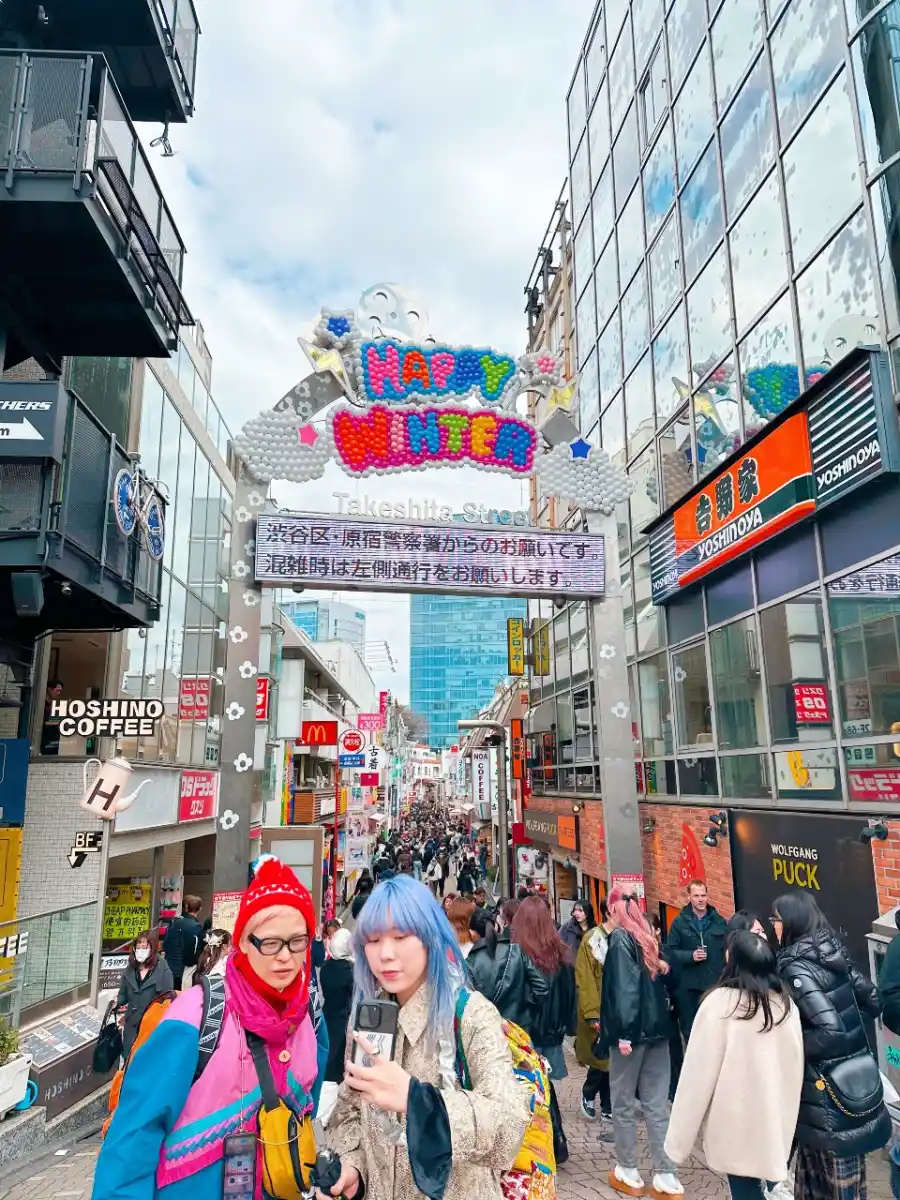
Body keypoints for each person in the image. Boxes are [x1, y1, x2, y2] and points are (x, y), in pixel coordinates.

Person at [93, 857, 328, 1200]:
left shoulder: (306, 1019)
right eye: (271, 942)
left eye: (297, 941)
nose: (285, 957)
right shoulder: (197, 1015)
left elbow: (306, 1111)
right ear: (244, 943)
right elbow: (133, 1138)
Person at [323, 875, 531, 1200]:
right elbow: (349, 1111)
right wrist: (353, 1169)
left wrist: (417, 1100)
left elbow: (508, 1126)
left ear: (430, 938)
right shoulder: (367, 1019)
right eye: (374, 940)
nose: (386, 954)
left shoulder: (471, 1015)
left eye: (401, 936)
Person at [665, 930, 803, 1200]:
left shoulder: (719, 1005)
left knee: (744, 1190)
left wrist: (678, 1141)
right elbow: (794, 1067)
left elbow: (697, 1076)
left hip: (733, 1121)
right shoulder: (785, 1006)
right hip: (773, 1119)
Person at [773, 892, 891, 1200]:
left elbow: (830, 1030)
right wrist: (852, 1036)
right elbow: (874, 1000)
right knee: (845, 1186)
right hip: (855, 1084)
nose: (772, 925)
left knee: (824, 1187)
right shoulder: (831, 951)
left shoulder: (794, 966)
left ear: (790, 921)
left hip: (825, 1096)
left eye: (775, 919)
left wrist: (793, 1048)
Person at [599, 890, 683, 1198]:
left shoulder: (621, 939)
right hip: (659, 1032)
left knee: (622, 1102)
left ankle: (628, 1168)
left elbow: (624, 990)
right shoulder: (649, 938)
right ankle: (666, 1174)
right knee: (657, 1105)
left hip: (632, 1036)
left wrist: (623, 1032)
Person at [511, 895, 576, 1165]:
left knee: (529, 1089)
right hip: (552, 1033)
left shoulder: (519, 955)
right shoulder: (561, 953)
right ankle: (556, 1140)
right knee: (544, 1087)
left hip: (527, 1031)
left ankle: (544, 1143)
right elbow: (570, 995)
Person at [665, 879, 727, 1042]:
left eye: (703, 895)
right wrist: (690, 956)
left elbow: (727, 950)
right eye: (696, 895)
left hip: (713, 984)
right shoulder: (679, 923)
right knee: (691, 1031)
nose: (700, 899)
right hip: (688, 987)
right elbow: (670, 953)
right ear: (690, 898)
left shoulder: (719, 921)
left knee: (715, 1029)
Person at [575, 898, 613, 1126]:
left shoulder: (623, 937)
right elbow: (585, 979)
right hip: (600, 1008)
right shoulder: (593, 940)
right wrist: (592, 1013)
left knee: (611, 1060)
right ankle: (590, 1094)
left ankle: (608, 1104)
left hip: (616, 1008)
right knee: (602, 1059)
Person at [115, 931, 174, 1062]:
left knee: (147, 1062)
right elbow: (123, 994)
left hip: (152, 1026)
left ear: (152, 948)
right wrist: (117, 1002)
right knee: (129, 1060)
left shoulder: (163, 968)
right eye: (138, 947)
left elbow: (168, 999)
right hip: (132, 1024)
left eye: (145, 947)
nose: (141, 950)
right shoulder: (130, 968)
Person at [321, 928, 355, 1084]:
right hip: (343, 1014)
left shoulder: (325, 966)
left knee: (327, 1043)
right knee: (339, 1046)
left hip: (328, 1011)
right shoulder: (350, 969)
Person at [161, 895, 204, 991]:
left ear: (185, 907)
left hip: (169, 968)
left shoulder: (173, 923)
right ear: (200, 909)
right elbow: (197, 953)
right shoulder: (196, 928)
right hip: (185, 972)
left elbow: (165, 945)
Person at [40, 678, 64, 755]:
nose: (59, 693)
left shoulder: (50, 704)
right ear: (50, 689)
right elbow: (45, 721)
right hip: (45, 740)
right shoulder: (42, 704)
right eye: (57, 690)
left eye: (60, 691)